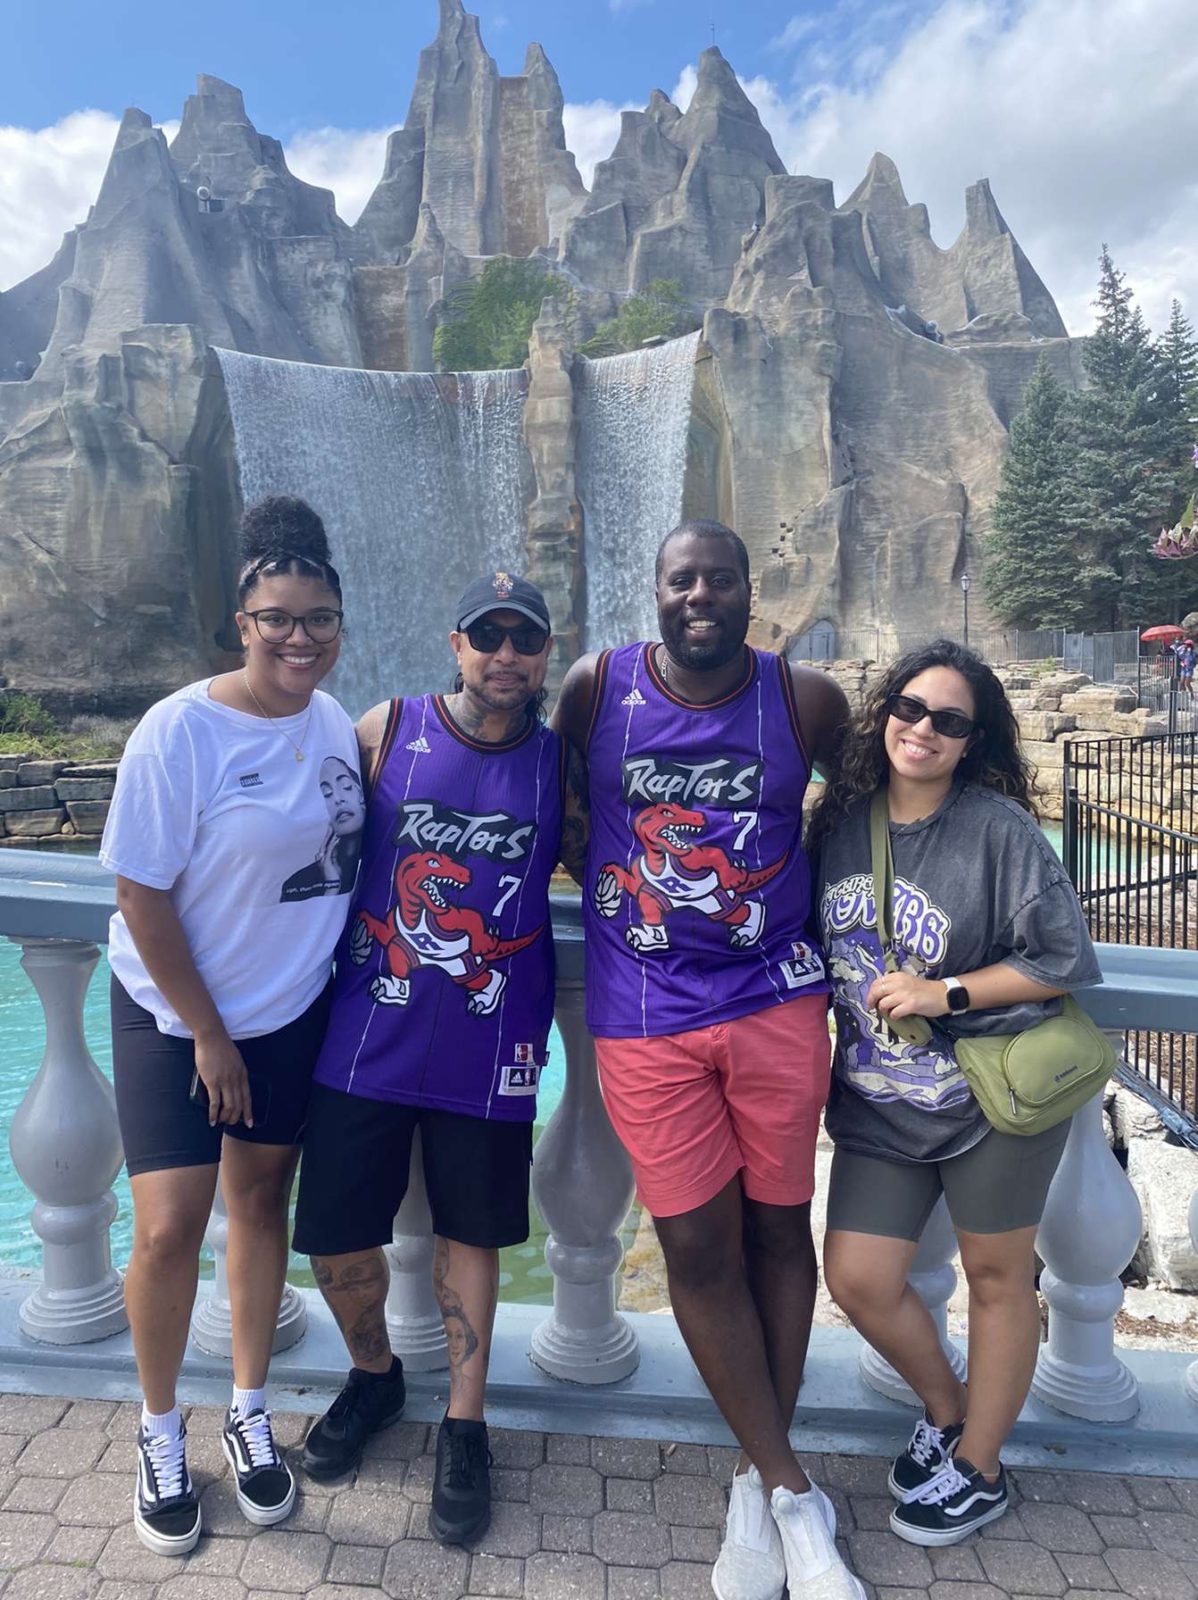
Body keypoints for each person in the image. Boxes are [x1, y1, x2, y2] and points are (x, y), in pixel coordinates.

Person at [554, 520, 864, 1600]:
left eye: (718, 580)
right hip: (643, 1013)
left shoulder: (804, 700)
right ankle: (790, 1490)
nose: (700, 595)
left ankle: (753, 1476)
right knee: (694, 1246)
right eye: (681, 579)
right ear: (657, 591)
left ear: (747, 591)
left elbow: (875, 809)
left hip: (777, 999)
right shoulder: (598, 688)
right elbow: (554, 808)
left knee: (780, 1229)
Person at [100, 496, 359, 1556]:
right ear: (240, 621)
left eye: (320, 616)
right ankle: (159, 1429)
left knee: (259, 1206)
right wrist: (207, 1034)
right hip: (175, 1016)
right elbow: (141, 895)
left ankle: (247, 1409)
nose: (300, 636)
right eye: (278, 617)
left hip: (288, 1014)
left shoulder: (336, 721)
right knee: (166, 1227)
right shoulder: (179, 730)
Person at [808, 638, 1102, 1547]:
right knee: (856, 1278)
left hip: (990, 1099)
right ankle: (948, 1411)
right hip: (879, 1102)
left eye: (948, 720)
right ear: (884, 712)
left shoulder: (998, 831)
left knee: (999, 1278)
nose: (922, 729)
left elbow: (1060, 960)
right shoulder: (838, 823)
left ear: (973, 741)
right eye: (908, 707)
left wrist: (947, 994)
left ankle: (980, 1466)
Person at [293, 571, 561, 1547]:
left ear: (541, 654)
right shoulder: (383, 728)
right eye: (486, 636)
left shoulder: (556, 763)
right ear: (455, 643)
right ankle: (374, 1377)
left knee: (471, 1236)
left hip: (494, 1041)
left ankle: (464, 1420)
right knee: (332, 1236)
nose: (504, 655)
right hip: (365, 1031)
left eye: (522, 639)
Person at [280, 755, 365, 899]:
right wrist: (331, 887)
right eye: (327, 794)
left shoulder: (391, 860)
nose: (337, 799)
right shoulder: (296, 883)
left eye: (346, 786)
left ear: (361, 793)